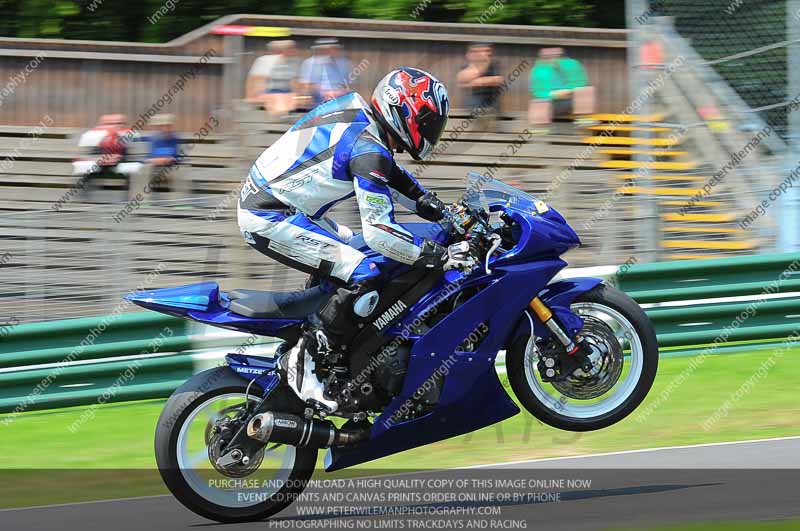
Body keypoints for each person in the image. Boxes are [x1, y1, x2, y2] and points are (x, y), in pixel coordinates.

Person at [237, 67, 474, 372]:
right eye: (427, 121)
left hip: (284, 209)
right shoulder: (368, 149)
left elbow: (392, 177)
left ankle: (319, 341)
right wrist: (438, 256)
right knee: (365, 271)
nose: (430, 130)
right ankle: (308, 366)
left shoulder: (359, 114)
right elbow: (380, 233)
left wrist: (438, 208)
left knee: (357, 249)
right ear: (402, 109)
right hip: (269, 217)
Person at [72, 114, 141, 201]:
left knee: (132, 172)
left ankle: (127, 202)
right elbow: (88, 155)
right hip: (100, 168)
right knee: (85, 171)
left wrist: (119, 158)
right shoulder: (96, 137)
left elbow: (135, 158)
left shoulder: (129, 136)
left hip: (119, 169)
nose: (115, 126)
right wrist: (100, 159)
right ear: (102, 125)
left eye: (119, 123)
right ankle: (84, 202)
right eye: (110, 123)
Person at [529, 47, 595, 128]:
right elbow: (537, 92)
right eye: (548, 57)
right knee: (538, 102)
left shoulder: (572, 64)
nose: (552, 59)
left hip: (570, 101)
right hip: (551, 104)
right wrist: (553, 94)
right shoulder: (538, 70)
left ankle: (584, 120)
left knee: (586, 91)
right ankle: (539, 130)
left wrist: (569, 91)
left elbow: (581, 82)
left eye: (556, 56)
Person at [457, 43, 504, 129]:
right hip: (474, 104)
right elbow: (462, 80)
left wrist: (474, 81)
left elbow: (498, 80)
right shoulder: (466, 66)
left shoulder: (494, 65)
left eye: (487, 51)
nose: (484, 53)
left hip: (492, 104)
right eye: (478, 52)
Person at [299, 38, 351, 105]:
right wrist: (324, 92)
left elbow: (350, 83)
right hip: (319, 99)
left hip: (341, 98)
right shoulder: (309, 63)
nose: (333, 51)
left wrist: (343, 91)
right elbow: (305, 86)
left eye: (335, 49)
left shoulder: (344, 63)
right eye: (330, 49)